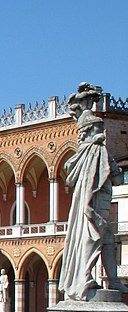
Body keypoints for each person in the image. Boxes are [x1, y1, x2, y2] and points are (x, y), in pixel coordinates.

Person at [60, 82, 128, 300]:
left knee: (107, 241)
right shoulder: (92, 152)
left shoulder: (99, 152)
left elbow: (116, 179)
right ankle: (86, 277)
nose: (102, 132)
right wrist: (89, 207)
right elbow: (89, 183)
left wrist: (114, 166)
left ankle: (113, 281)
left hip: (102, 204)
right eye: (98, 129)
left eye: (102, 128)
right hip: (94, 206)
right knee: (93, 240)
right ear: (89, 131)